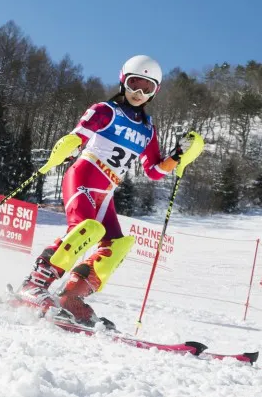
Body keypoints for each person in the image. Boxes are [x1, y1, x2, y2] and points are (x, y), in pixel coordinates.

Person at [16, 55, 200, 326]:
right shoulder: (105, 110)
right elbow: (78, 135)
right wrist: (66, 146)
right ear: (123, 80)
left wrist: (178, 155)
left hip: (107, 191)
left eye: (147, 88)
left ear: (155, 92)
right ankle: (34, 284)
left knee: (117, 245)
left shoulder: (148, 130)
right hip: (84, 175)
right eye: (135, 84)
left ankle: (72, 297)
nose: (139, 93)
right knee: (86, 229)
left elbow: (153, 171)